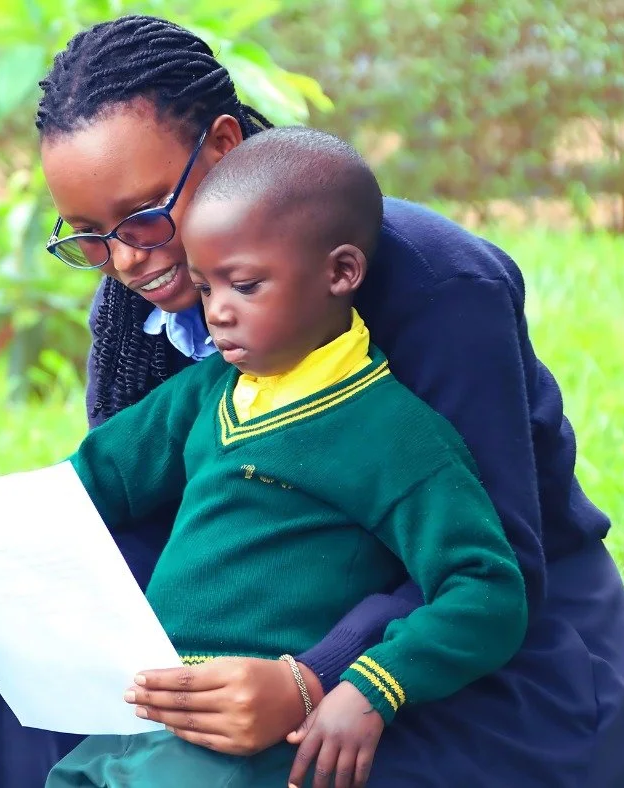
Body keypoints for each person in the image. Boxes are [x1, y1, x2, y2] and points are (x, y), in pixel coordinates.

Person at [0, 15, 624, 788]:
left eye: (146, 215)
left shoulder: (435, 285)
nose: (124, 260)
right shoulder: (137, 303)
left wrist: (308, 678)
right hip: (258, 632)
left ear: (221, 147)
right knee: (12, 705)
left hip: (478, 669)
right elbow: (147, 513)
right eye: (88, 236)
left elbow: (492, 572)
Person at [43, 124, 529, 787]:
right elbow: (96, 477)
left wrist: (369, 687)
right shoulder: (210, 392)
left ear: (340, 272)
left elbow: (487, 586)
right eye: (205, 287)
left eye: (244, 285)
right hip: (138, 723)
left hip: (244, 746)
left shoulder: (389, 433)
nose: (217, 313)